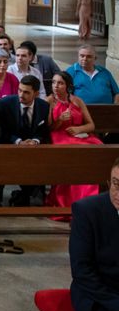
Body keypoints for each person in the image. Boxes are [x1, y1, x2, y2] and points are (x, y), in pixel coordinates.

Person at [69, 158, 119, 311]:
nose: (118, 192)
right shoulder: (86, 211)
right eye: (116, 184)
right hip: (97, 297)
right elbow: (82, 272)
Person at [45, 72, 103, 220]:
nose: (56, 86)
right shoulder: (49, 101)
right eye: (53, 82)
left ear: (68, 86)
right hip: (60, 136)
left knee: (97, 149)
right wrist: (59, 119)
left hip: (80, 136)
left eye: (60, 83)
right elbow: (48, 128)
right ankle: (68, 202)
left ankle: (93, 203)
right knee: (73, 156)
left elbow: (91, 125)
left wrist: (79, 129)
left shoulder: (77, 101)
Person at [0, 75, 50, 207]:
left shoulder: (44, 106)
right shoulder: (4, 104)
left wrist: (36, 140)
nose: (21, 94)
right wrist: (18, 141)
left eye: (26, 92)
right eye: (19, 90)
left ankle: (25, 194)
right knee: (0, 165)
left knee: (41, 164)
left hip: (33, 151)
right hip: (9, 148)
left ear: (36, 93)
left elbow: (44, 131)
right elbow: (1, 130)